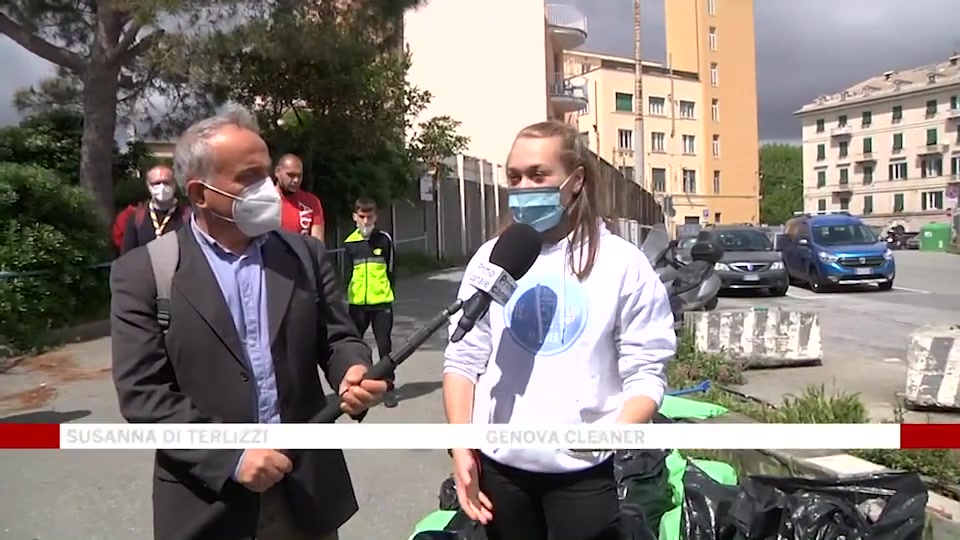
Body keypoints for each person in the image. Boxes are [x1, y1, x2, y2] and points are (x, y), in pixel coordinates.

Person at [110, 106, 388, 540]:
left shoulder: (304, 255)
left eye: (268, 173)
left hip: (304, 492)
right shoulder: (143, 274)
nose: (269, 188)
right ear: (200, 194)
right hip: (207, 501)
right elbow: (143, 395)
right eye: (250, 177)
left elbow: (338, 337)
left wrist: (353, 369)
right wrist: (232, 456)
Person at [441, 120, 677, 540]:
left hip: (582, 476)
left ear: (576, 181)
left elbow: (647, 371)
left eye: (538, 175)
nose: (524, 187)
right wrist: (461, 447)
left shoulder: (622, 264)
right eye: (514, 177)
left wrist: (613, 437)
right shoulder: (490, 259)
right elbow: (463, 360)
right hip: (500, 472)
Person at [343, 197, 398, 408]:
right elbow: (347, 273)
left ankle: (388, 387)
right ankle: (355, 386)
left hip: (381, 302)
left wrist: (387, 291)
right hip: (357, 304)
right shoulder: (350, 243)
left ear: (376, 217)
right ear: (355, 217)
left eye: (370, 216)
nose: (366, 221)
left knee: (384, 346)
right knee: (354, 345)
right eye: (362, 216)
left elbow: (392, 269)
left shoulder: (384, 239)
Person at [120, 165, 191, 254]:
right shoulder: (136, 219)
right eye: (156, 183)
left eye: (166, 182)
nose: (162, 187)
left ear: (174, 184)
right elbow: (127, 256)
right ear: (149, 186)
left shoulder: (188, 216)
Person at [276, 153, 326, 241]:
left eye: (299, 176)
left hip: (302, 254)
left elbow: (318, 244)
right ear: (277, 172)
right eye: (290, 175)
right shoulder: (265, 199)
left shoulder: (311, 202)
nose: (296, 180)